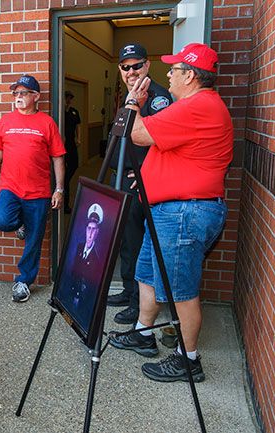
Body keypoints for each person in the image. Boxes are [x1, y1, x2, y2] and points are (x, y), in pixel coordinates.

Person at [109, 43, 233, 383]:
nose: (167, 74)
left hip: (184, 211)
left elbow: (135, 133)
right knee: (147, 274)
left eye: (174, 69)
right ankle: (143, 332)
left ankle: (188, 359)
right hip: (169, 210)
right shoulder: (192, 105)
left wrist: (134, 100)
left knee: (181, 289)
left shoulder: (198, 106)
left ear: (190, 75)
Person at [106, 43, 172, 326]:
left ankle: (137, 305)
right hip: (121, 176)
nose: (131, 71)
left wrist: (145, 174)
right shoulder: (131, 95)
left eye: (136, 65)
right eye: (125, 66)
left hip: (138, 182)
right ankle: (128, 290)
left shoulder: (157, 98)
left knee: (136, 243)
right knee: (124, 240)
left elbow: (162, 140)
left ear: (147, 66)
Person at [0, 74, 66, 303]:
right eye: (16, 93)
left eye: (23, 93)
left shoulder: (47, 123)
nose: (18, 97)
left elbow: (58, 157)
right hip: (10, 188)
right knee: (2, 221)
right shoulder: (6, 121)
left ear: (36, 96)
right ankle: (19, 221)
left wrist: (59, 189)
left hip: (39, 192)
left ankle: (24, 281)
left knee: (34, 239)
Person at [56, 203, 105, 329]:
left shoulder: (96, 260)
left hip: (83, 302)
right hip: (72, 296)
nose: (90, 234)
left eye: (93, 230)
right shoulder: (79, 248)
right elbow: (73, 273)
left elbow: (89, 288)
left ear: (97, 233)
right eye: (88, 229)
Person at [63, 90, 81, 213]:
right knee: (63, 175)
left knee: (74, 165)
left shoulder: (74, 112)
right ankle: (65, 205)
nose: (69, 100)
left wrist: (78, 138)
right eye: (67, 98)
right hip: (62, 144)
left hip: (71, 143)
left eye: (70, 98)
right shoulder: (60, 111)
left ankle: (65, 179)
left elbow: (78, 125)